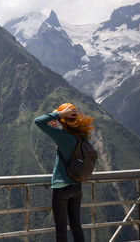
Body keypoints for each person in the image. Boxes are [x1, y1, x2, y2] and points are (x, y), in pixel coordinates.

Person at [34, 103, 94, 242]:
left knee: (61, 229)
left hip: (61, 188)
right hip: (76, 186)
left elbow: (38, 121)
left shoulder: (63, 138)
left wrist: (58, 114)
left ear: (63, 119)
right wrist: (59, 126)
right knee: (76, 226)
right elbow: (69, 140)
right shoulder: (82, 135)